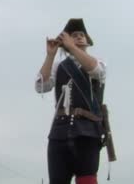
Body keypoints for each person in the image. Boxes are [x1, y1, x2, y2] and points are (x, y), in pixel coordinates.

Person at [35, 19, 107, 184]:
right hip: (59, 133)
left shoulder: (98, 62)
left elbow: (96, 71)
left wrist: (71, 47)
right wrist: (50, 55)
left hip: (87, 132)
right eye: (74, 35)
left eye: (82, 35)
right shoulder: (59, 66)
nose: (80, 37)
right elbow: (41, 86)